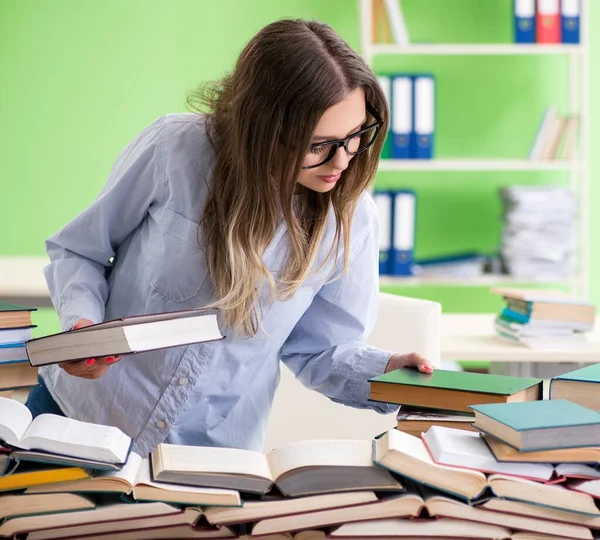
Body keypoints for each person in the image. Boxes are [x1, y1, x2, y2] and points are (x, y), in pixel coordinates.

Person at [26, 18, 434, 456]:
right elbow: (80, 251)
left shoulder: (353, 218)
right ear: (262, 127)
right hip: (80, 420)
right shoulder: (176, 149)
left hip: (212, 457)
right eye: (319, 144)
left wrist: (387, 370)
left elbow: (318, 351)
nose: (344, 161)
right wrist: (80, 327)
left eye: (356, 136)